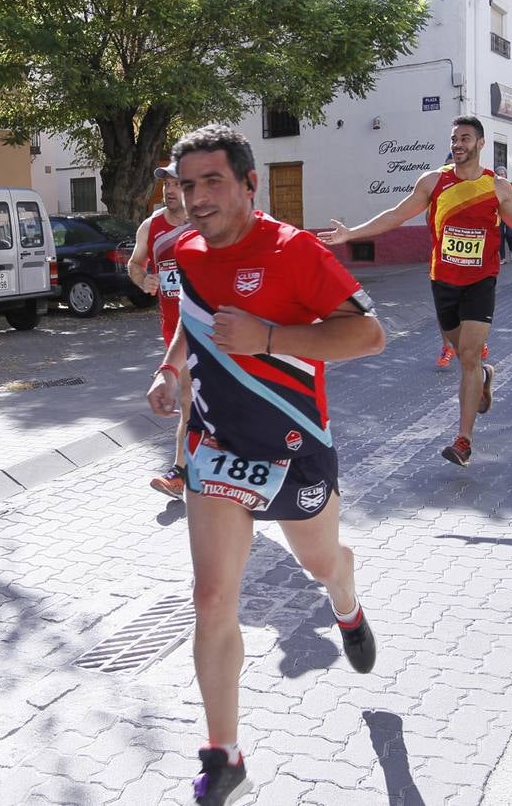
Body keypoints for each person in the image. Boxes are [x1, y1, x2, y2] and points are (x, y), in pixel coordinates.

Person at [147, 124, 384, 806]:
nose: (196, 198)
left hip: (293, 449)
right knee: (212, 599)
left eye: (211, 181)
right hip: (215, 450)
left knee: (319, 563)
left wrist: (272, 337)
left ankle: (346, 599)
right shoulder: (179, 251)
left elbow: (368, 335)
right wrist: (168, 375)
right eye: (187, 184)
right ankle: (224, 756)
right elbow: (190, 334)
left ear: (249, 183)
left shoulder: (293, 250)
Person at [321, 116, 512, 466]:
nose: (458, 144)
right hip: (443, 281)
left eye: (465, 138)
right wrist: (351, 233)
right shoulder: (433, 181)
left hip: (481, 281)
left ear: (480, 143)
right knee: (460, 350)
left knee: (469, 356)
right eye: (454, 138)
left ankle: (463, 441)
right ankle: (485, 376)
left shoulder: (498, 187)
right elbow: (396, 214)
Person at [129, 161, 193, 497]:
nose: (169, 190)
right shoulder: (151, 227)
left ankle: (189, 472)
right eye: (166, 184)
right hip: (175, 333)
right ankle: (180, 474)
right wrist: (144, 280)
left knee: (207, 402)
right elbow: (134, 264)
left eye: (176, 183)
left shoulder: (205, 224)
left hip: (211, 329)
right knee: (188, 400)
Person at [495, 166, 512, 263]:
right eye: (499, 174)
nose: (501, 175)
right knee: (500, 235)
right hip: (499, 214)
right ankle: (502, 257)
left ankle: (511, 249)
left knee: (509, 234)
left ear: (505, 175)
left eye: (503, 174)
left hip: (510, 213)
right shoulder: (494, 187)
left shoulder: (511, 185)